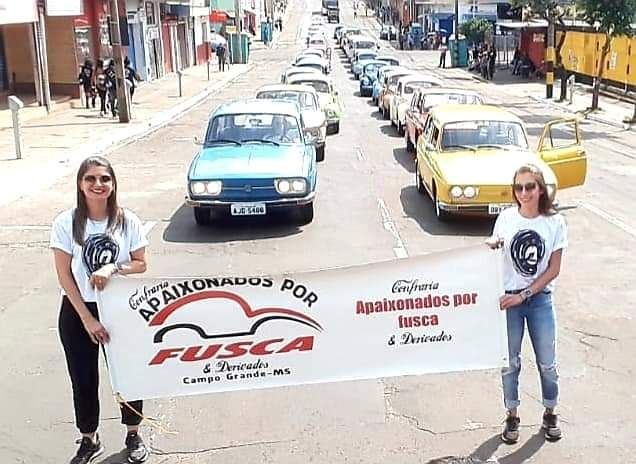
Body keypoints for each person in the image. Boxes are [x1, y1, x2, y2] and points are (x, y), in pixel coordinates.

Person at [50, 156, 150, 464]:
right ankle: (89, 439)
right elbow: (65, 276)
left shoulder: (126, 220)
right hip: (79, 310)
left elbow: (141, 263)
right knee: (83, 378)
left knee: (127, 375)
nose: (98, 184)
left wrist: (113, 268)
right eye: (90, 178)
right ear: (80, 184)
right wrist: (87, 318)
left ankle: (133, 433)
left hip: (119, 309)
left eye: (104, 179)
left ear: (113, 184)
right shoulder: (66, 222)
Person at [487, 163, 566, 445]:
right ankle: (512, 415)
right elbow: (493, 254)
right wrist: (490, 247)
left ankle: (550, 412)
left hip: (539, 301)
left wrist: (526, 295)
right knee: (510, 363)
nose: (524, 193)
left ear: (541, 188)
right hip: (509, 301)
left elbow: (553, 269)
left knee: (547, 363)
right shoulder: (506, 218)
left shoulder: (554, 222)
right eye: (518, 187)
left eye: (529, 186)